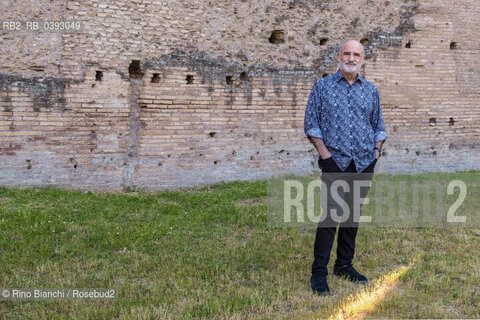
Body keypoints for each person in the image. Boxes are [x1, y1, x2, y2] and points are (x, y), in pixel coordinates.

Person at [303, 39, 387, 295]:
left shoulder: (370, 90)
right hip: (335, 162)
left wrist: (376, 151)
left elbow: (379, 126)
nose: (351, 58)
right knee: (330, 218)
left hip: (364, 163)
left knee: (352, 217)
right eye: (347, 53)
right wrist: (325, 156)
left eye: (356, 54)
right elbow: (311, 123)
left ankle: (344, 265)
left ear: (363, 59)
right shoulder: (323, 86)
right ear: (338, 56)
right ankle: (319, 273)